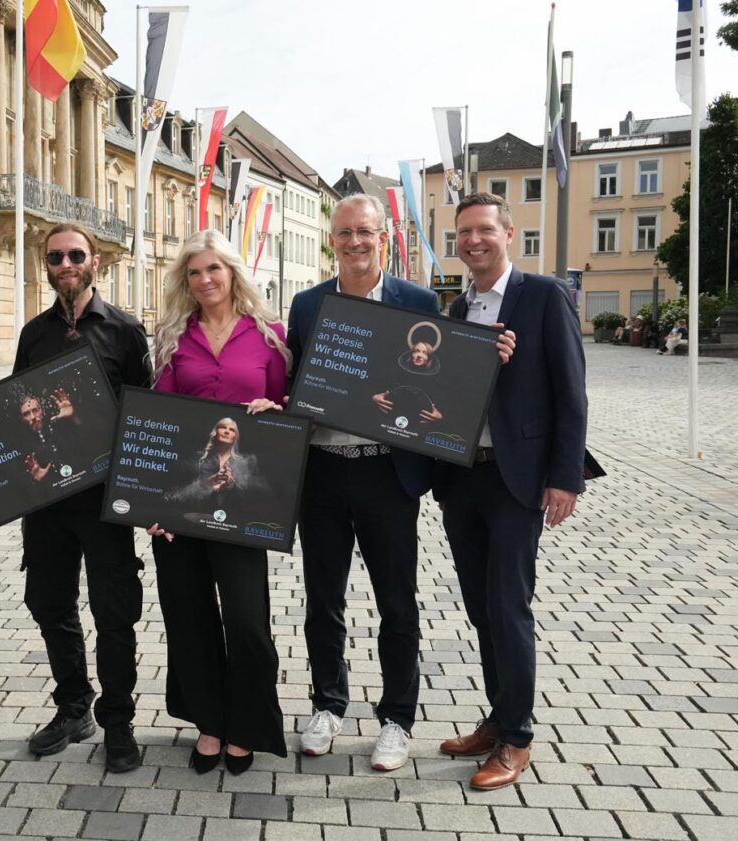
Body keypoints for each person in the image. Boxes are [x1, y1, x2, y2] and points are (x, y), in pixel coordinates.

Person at [286, 194, 516, 771]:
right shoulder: (307, 304)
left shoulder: (417, 301)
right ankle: (327, 704)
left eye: (365, 232)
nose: (355, 242)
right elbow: (294, 380)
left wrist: (495, 354)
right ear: (330, 241)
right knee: (324, 598)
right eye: (344, 233)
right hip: (322, 472)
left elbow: (449, 375)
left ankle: (397, 716)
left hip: (389, 471)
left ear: (383, 237)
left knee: (396, 601)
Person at [435, 192, 586, 790]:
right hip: (463, 475)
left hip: (517, 476)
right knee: (479, 607)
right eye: (463, 233)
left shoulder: (543, 296)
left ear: (509, 233)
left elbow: (572, 393)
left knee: (507, 605)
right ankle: (498, 718)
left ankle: (517, 737)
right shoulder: (455, 309)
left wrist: (565, 477)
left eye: (483, 231)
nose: (473, 241)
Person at [149, 228, 291, 775]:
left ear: (233, 272)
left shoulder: (269, 337)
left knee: (246, 620)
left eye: (214, 269)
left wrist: (272, 411)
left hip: (245, 501)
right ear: (184, 281)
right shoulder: (170, 338)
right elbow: (156, 425)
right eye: (194, 272)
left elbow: (285, 410)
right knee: (188, 617)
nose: (205, 279)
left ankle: (249, 725)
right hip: (183, 502)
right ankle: (209, 722)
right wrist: (152, 507)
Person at [14, 222, 151, 773]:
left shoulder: (124, 330)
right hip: (47, 498)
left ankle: (118, 720)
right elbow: (15, 409)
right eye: (55, 257)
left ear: (96, 261)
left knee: (113, 610)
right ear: (45, 266)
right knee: (49, 603)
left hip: (103, 498)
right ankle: (73, 707)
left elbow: (143, 417)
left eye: (75, 255)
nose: (65, 265)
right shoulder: (34, 334)